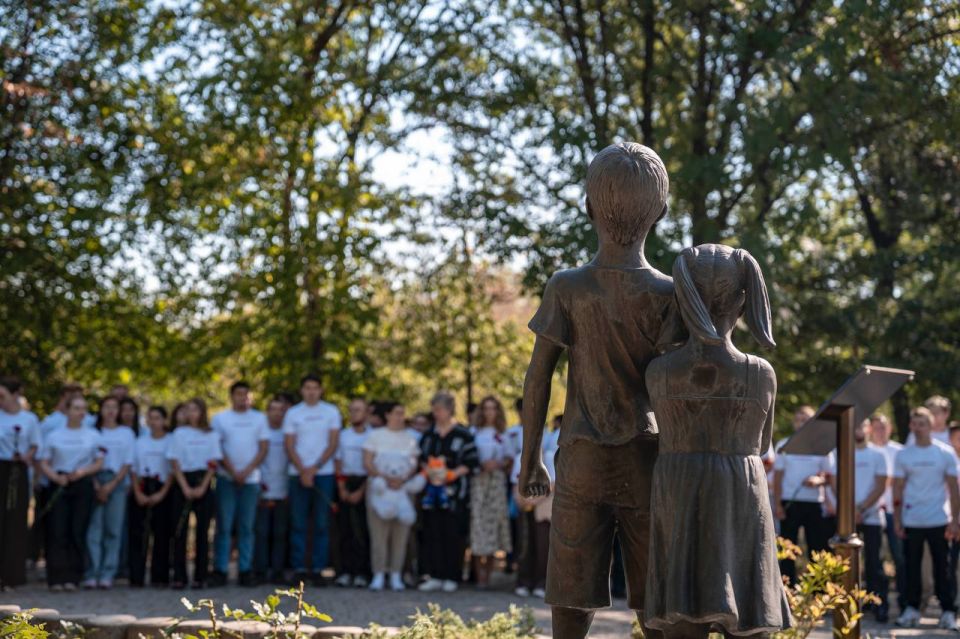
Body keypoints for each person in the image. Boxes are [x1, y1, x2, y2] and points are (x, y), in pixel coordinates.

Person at [517, 142, 682, 639]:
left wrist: (531, 457)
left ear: (588, 207)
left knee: (570, 593)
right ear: (662, 210)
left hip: (582, 455)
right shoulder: (669, 293)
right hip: (647, 459)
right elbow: (675, 385)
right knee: (655, 595)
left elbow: (538, 376)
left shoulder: (568, 287)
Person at [644, 245, 789, 637]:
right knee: (749, 615)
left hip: (679, 489)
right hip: (739, 490)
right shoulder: (760, 374)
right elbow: (761, 445)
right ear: (742, 302)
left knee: (681, 616)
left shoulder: (658, 372)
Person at [894, 407, 960, 630]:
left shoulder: (945, 453)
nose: (918, 427)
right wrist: (897, 520)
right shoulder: (904, 454)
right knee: (911, 567)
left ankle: (949, 611)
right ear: (911, 426)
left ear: (931, 426)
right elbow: (898, 489)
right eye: (915, 423)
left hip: (939, 520)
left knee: (943, 568)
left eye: (922, 423)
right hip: (912, 520)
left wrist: (954, 519)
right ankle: (911, 608)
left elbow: (953, 488)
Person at [38, 395, 104, 591]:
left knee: (77, 530)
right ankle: (56, 578)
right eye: (76, 408)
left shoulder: (93, 435)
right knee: (58, 531)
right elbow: (44, 462)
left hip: (82, 484)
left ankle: (73, 577)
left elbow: (99, 462)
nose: (80, 412)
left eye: (83, 408)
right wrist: (55, 477)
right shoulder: (54, 435)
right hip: (59, 483)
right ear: (67, 411)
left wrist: (83, 472)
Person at [827, 419, 890, 622]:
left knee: (874, 563)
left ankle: (878, 605)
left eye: (862, 425)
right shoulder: (838, 453)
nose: (858, 430)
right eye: (854, 425)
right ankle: (841, 604)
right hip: (847, 517)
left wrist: (861, 508)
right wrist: (849, 509)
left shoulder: (878, 454)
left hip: (871, 517)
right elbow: (834, 482)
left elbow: (881, 485)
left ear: (869, 428)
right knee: (842, 562)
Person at [283, 373, 341, 585]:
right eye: (307, 387)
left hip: (323, 474)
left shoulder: (331, 412)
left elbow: (333, 443)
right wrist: (303, 470)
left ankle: (318, 568)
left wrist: (314, 469)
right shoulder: (293, 413)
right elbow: (289, 444)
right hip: (297, 474)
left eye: (315, 387)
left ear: (321, 390)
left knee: (322, 524)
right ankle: (299, 567)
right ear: (302, 390)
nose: (311, 391)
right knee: (298, 522)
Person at [418, 391, 478, 593]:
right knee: (432, 531)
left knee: (453, 534)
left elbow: (471, 462)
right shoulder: (429, 435)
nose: (436, 414)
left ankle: (453, 575)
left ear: (450, 409)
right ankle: (435, 574)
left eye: (439, 410)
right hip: (431, 493)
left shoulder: (463, 434)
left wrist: (451, 474)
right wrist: (429, 472)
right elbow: (421, 458)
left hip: (455, 493)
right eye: (434, 410)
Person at [210, 381, 269, 587]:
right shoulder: (220, 419)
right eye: (238, 394)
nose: (242, 398)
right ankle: (221, 569)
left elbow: (263, 448)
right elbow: (217, 447)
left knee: (247, 527)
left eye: (246, 394)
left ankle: (245, 569)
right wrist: (233, 471)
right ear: (231, 396)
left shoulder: (260, 419)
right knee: (224, 526)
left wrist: (246, 471)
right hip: (226, 479)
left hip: (251, 480)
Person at [363, 401, 421, 592]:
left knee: (400, 534)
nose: (400, 416)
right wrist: (385, 478)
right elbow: (368, 462)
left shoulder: (410, 438)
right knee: (379, 534)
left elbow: (414, 463)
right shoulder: (375, 436)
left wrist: (402, 479)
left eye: (402, 413)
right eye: (397, 412)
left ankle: (396, 574)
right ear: (387, 415)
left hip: (402, 490)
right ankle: (378, 574)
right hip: (380, 489)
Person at [773, 405, 832, 583]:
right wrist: (777, 505)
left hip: (814, 503)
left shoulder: (822, 446)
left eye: (806, 420)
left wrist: (818, 481)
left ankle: (820, 593)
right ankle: (787, 589)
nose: (802, 423)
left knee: (817, 548)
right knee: (788, 549)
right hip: (790, 503)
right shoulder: (784, 444)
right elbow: (778, 477)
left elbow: (829, 477)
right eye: (799, 420)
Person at [167, 398, 221, 589]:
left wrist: (203, 486)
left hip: (203, 481)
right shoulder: (179, 434)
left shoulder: (211, 434)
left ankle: (201, 576)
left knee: (202, 532)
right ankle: (180, 576)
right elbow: (174, 462)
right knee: (180, 531)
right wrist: (185, 487)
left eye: (195, 410)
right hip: (183, 482)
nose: (191, 414)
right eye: (188, 410)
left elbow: (214, 462)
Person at [83, 396, 135, 589]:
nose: (111, 411)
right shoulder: (92, 432)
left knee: (113, 530)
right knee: (94, 530)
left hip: (117, 482)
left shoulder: (126, 433)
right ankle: (92, 572)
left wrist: (112, 485)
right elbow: (88, 460)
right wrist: (97, 485)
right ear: (101, 410)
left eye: (115, 407)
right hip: (95, 481)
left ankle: (108, 573)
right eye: (107, 407)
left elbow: (127, 462)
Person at [0, 377, 40, 590]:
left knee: (15, 520)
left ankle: (12, 574)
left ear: (15, 395)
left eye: (3, 396)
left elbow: (35, 445)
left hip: (17, 470)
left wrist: (26, 456)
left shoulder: (29, 419)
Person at [514, 413, 559, 599]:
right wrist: (522, 501)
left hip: (543, 509)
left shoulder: (549, 456)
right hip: (524, 508)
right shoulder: (519, 457)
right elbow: (514, 482)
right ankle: (524, 581)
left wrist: (534, 501)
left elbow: (553, 484)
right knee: (524, 547)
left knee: (543, 547)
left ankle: (542, 582)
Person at [128, 406, 174, 587]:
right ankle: (136, 577)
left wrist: (162, 493)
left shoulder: (171, 441)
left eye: (157, 418)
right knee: (138, 534)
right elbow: (133, 469)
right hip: (142, 486)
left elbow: (172, 470)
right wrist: (138, 492)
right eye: (151, 418)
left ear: (164, 420)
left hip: (163, 488)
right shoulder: (140, 442)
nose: (154, 422)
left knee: (161, 535)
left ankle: (160, 577)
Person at [470, 395, 513, 588]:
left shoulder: (504, 434)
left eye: (493, 408)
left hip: (496, 482)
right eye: (486, 408)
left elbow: (510, 459)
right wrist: (480, 464)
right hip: (479, 481)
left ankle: (489, 575)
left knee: (494, 524)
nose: (489, 412)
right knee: (478, 525)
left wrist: (499, 463)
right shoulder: (474, 432)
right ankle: (478, 576)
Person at [867, 413, 906, 616]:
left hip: (894, 512)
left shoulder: (900, 451)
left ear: (889, 428)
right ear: (870, 430)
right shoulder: (866, 451)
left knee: (899, 557)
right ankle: (875, 602)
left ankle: (904, 600)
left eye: (883, 427)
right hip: (871, 513)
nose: (879, 431)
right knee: (874, 560)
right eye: (876, 427)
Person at [334, 398, 372, 588]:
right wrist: (341, 488)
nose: (355, 413)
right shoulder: (343, 435)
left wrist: (362, 490)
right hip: (346, 482)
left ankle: (362, 572)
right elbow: (338, 461)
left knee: (362, 531)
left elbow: (373, 465)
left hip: (365, 483)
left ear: (366, 413)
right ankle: (345, 571)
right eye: (352, 410)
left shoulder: (373, 436)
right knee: (345, 530)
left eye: (359, 410)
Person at [255, 397, 290, 585]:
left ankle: (277, 570)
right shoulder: (262, 432)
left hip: (283, 488)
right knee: (261, 531)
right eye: (273, 409)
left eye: (281, 410)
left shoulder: (288, 433)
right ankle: (261, 569)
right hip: (263, 487)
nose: (277, 413)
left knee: (280, 532)